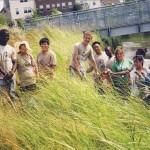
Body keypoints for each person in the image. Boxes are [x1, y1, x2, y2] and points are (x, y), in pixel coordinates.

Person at [0, 29, 18, 100]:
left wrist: (12, 72)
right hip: (1, 77)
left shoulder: (12, 49)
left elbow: (15, 62)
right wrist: (3, 73)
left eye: (7, 36)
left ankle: (14, 109)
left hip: (11, 77)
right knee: (3, 96)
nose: (6, 37)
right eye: (4, 36)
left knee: (12, 94)